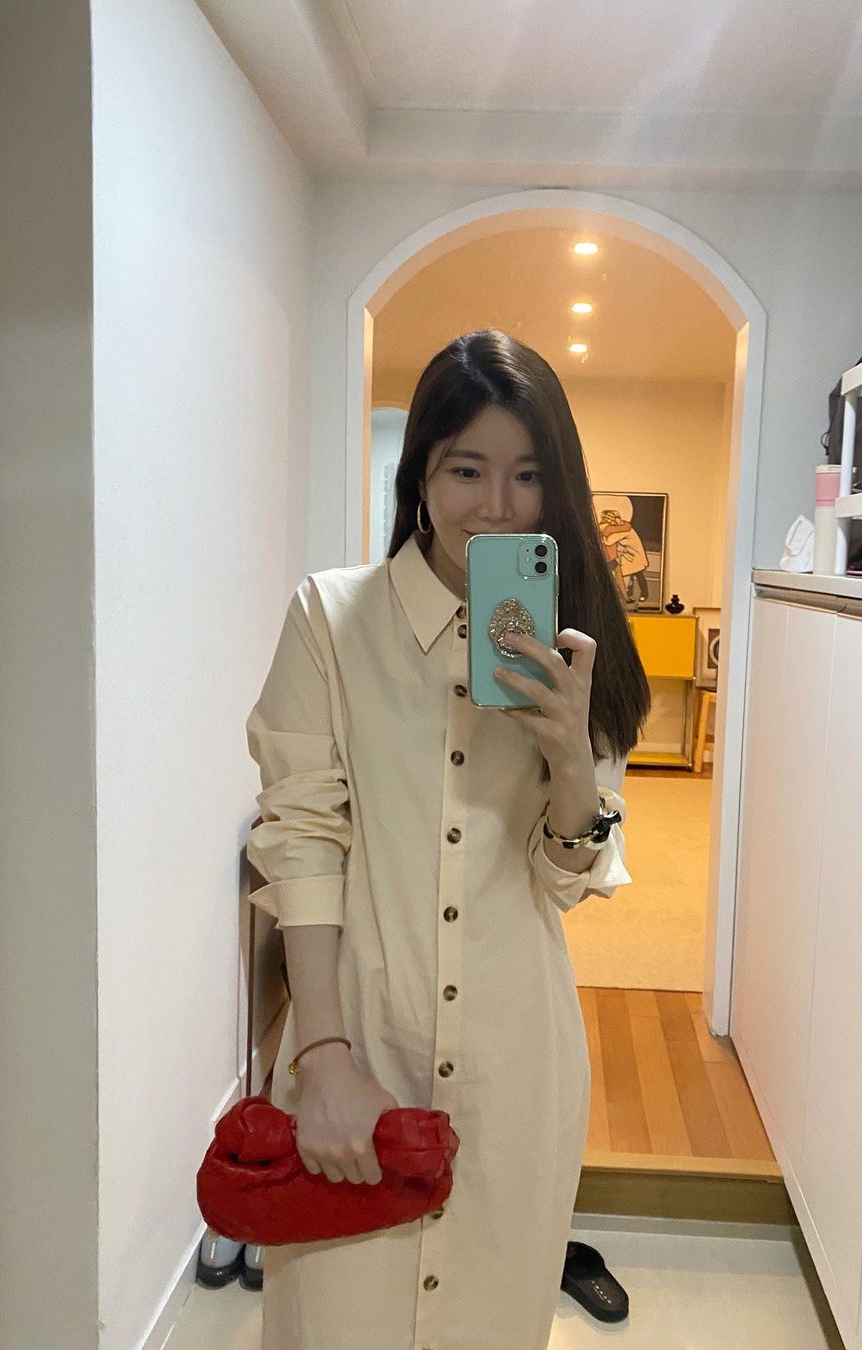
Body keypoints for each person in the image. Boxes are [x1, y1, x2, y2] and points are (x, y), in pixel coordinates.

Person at [244, 329, 651, 1350]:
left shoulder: (578, 643)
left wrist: (570, 759)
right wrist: (322, 1058)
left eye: (528, 475)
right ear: (420, 476)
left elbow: (566, 881)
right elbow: (302, 841)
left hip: (518, 1057)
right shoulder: (330, 619)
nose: (498, 506)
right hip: (357, 1042)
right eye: (467, 469)